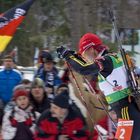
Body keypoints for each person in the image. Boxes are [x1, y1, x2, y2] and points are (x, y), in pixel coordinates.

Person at [57, 32, 140, 140]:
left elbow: (85, 69)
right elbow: (90, 67)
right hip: (129, 110)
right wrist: (75, 57)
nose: (85, 58)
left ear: (91, 49)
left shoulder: (106, 61)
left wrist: (67, 56)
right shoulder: (112, 58)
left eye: (84, 54)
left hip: (126, 113)